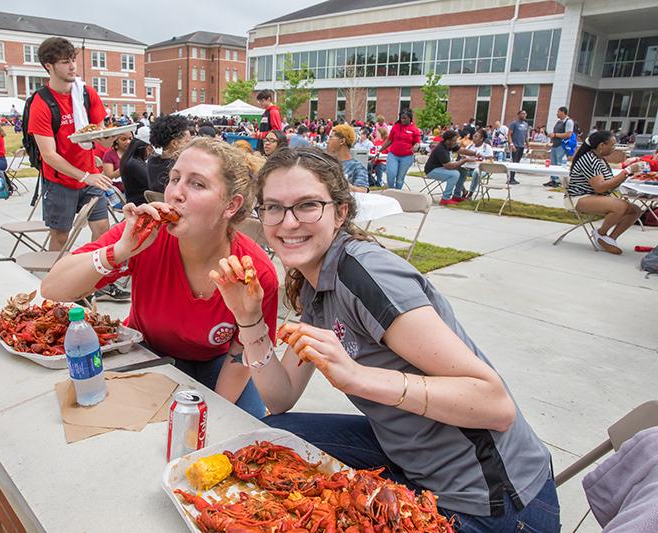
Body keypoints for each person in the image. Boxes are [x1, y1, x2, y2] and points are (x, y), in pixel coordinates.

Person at [207, 145, 559, 531]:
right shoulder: (314, 282)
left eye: (308, 205)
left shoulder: (366, 275)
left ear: (340, 212)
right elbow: (281, 396)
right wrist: (250, 318)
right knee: (277, 437)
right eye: (273, 207)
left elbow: (495, 404)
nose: (288, 223)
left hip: (493, 502)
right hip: (405, 455)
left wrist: (358, 377)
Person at [41, 138, 278, 419]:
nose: (176, 193)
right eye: (175, 178)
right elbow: (53, 288)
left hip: (218, 360)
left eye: (197, 184)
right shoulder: (145, 236)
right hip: (145, 349)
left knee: (242, 426)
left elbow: (241, 356)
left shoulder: (254, 273)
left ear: (231, 205)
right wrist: (118, 252)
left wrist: (210, 413)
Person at [28, 37, 113, 252]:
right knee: (60, 236)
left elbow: (99, 133)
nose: (73, 66)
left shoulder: (86, 93)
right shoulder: (41, 103)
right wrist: (84, 176)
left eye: (73, 60)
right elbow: (48, 154)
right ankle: (56, 282)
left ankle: (97, 279)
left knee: (103, 229)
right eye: (65, 61)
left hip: (90, 175)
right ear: (49, 66)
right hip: (59, 181)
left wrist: (112, 138)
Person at [567, 131, 642, 255]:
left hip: (595, 196)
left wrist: (629, 175)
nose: (614, 148)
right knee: (620, 206)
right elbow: (600, 188)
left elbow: (609, 183)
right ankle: (600, 234)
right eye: (612, 145)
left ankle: (609, 239)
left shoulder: (600, 159)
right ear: (601, 145)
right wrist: (627, 171)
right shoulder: (589, 159)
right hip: (579, 198)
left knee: (635, 210)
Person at [147, 114, 192, 193]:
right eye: (187, 141)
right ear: (174, 143)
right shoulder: (178, 167)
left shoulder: (152, 161)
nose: (191, 144)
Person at [424, 130, 470, 205]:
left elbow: (462, 150)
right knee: (454, 174)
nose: (455, 142)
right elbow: (448, 166)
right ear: (447, 140)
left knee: (462, 171)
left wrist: (476, 153)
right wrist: (464, 160)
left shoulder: (450, 145)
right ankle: (445, 198)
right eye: (454, 141)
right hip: (431, 171)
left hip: (440, 168)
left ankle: (456, 195)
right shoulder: (441, 149)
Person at [379, 109, 421, 190]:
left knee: (400, 178)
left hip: (407, 157)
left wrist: (416, 146)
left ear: (410, 118)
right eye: (401, 118)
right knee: (391, 174)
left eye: (405, 118)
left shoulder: (414, 129)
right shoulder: (396, 126)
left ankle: (398, 193)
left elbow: (417, 143)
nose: (403, 120)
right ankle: (391, 190)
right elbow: (389, 140)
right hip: (393, 155)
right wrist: (380, 150)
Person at [326, 124, 369, 193]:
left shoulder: (357, 167)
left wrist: (342, 183)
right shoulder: (326, 163)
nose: (327, 141)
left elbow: (362, 191)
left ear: (342, 141)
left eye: (331, 138)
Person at [546, 106, 574, 187]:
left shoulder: (569, 122)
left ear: (563, 112)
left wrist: (555, 135)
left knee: (559, 163)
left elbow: (568, 134)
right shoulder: (559, 122)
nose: (557, 113)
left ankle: (559, 181)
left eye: (558, 112)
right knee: (553, 163)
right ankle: (553, 180)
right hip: (555, 145)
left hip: (562, 146)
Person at [462, 130, 495, 198]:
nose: (473, 137)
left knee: (476, 172)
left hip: (481, 169)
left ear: (481, 138)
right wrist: (464, 157)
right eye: (473, 136)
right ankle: (464, 191)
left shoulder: (486, 147)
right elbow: (464, 155)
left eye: (476, 136)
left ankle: (470, 194)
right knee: (456, 172)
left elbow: (490, 159)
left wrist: (482, 159)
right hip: (468, 167)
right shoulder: (470, 146)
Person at [121, 137, 153, 206]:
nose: (150, 153)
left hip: (134, 199)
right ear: (143, 149)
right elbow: (150, 183)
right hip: (140, 202)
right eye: (149, 149)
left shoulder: (129, 159)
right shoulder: (135, 164)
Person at [507, 110, 530, 185]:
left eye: (525, 114)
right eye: (522, 114)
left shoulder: (526, 125)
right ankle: (510, 178)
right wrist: (511, 144)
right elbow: (509, 134)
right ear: (519, 114)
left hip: (521, 146)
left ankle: (513, 178)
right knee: (513, 161)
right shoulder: (514, 124)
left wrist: (528, 145)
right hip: (515, 145)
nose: (524, 115)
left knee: (517, 162)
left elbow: (526, 136)